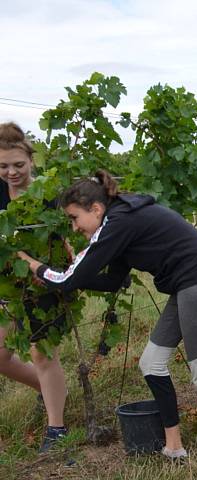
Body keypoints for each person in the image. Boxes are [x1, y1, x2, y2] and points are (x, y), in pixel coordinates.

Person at [18, 170, 197, 480]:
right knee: (151, 364)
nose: (74, 227)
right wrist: (63, 276)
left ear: (95, 209)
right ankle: (173, 446)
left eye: (74, 218)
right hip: (186, 286)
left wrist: (36, 265)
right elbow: (112, 281)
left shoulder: (117, 222)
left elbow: (72, 278)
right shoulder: (119, 221)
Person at [0, 121, 70, 454]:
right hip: (8, 284)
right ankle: (48, 390)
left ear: (31, 161)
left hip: (45, 283)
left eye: (18, 165)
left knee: (42, 354)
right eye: (3, 166)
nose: (11, 172)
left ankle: (57, 427)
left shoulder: (47, 194)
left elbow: (66, 234)